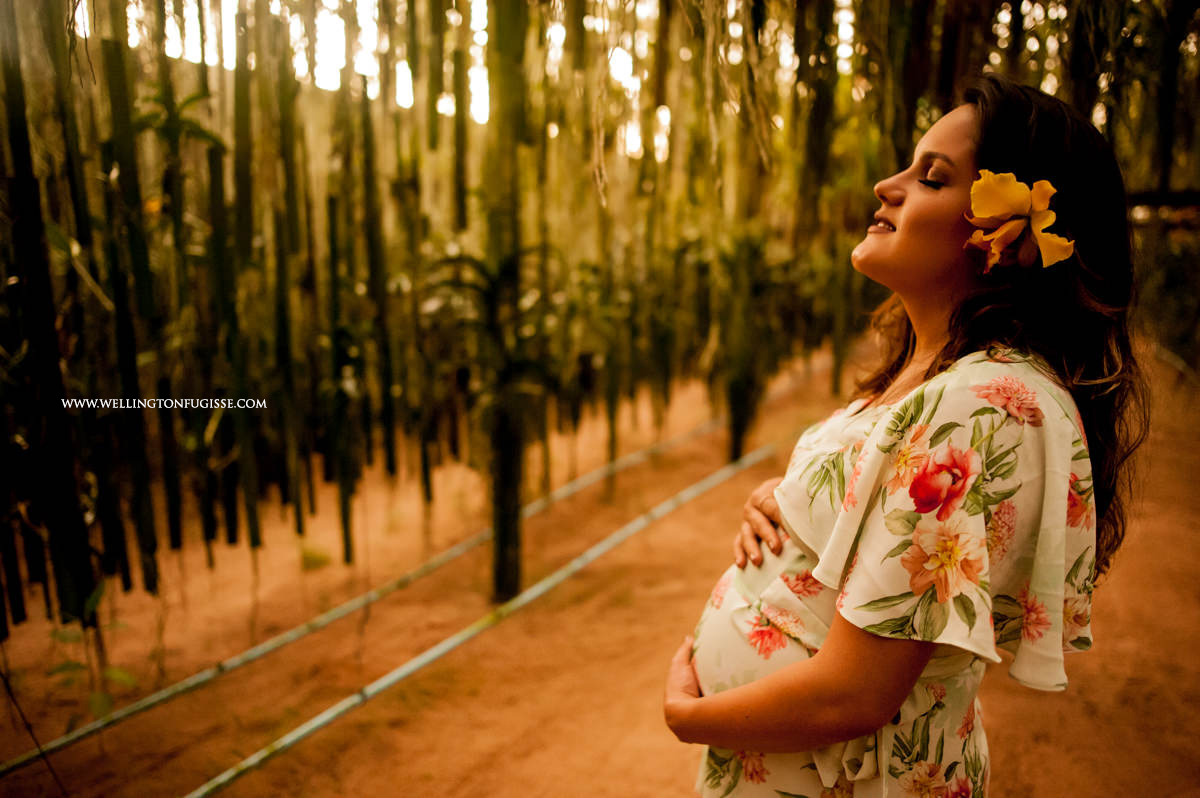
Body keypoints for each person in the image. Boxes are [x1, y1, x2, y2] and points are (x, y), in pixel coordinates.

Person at [663, 74, 1151, 797]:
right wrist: (786, 500)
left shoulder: (980, 403)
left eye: (931, 176)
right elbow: (872, 512)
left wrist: (688, 714)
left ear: (1009, 239)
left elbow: (853, 695)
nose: (887, 187)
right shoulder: (930, 377)